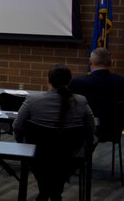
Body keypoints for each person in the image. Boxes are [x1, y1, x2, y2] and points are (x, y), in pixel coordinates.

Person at [13, 65, 95, 201]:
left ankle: (45, 193)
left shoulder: (32, 100)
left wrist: (21, 141)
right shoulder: (81, 101)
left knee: (44, 171)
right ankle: (53, 193)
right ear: (69, 81)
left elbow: (17, 126)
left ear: (48, 80)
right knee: (58, 173)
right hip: (69, 154)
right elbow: (90, 129)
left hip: (37, 154)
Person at [69, 47, 124, 120]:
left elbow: (70, 107)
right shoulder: (121, 82)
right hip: (113, 127)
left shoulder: (77, 82)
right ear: (111, 62)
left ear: (89, 62)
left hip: (85, 127)